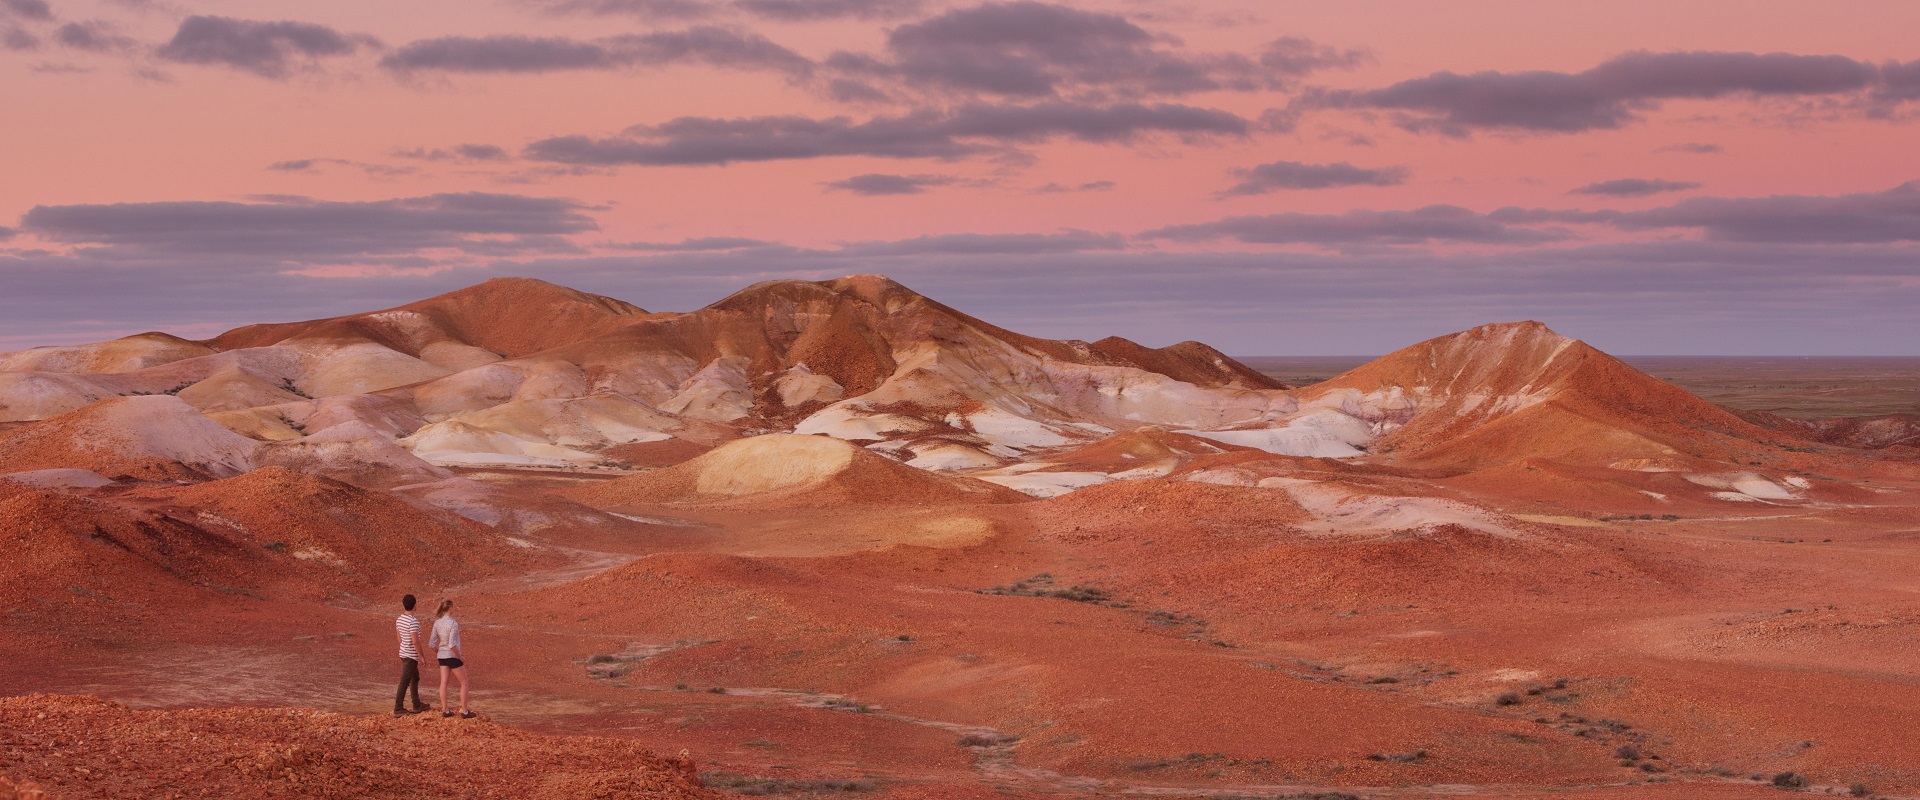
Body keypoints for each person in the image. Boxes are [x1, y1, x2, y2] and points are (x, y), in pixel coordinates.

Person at [428, 598, 474, 719]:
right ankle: (464, 711)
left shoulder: (437, 622)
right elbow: (452, 645)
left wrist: (439, 652)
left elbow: (431, 644)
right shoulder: (453, 623)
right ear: (450, 608)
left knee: (443, 683)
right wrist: (460, 657)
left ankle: (445, 710)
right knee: (464, 682)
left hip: (442, 657)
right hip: (452, 656)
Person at [393, 594, 431, 717]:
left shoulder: (399, 619)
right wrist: (421, 656)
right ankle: (398, 708)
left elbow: (399, 637)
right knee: (405, 681)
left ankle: (417, 704)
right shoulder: (413, 621)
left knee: (415, 678)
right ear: (415, 605)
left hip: (403, 653)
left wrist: (404, 647)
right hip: (411, 656)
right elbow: (416, 641)